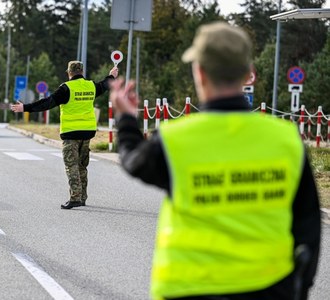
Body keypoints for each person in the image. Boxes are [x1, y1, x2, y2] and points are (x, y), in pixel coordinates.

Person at [110, 22, 321, 300]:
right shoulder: (287, 138)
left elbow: (133, 160)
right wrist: (299, 286)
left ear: (200, 72)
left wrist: (126, 118)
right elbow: (308, 222)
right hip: (270, 288)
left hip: (189, 289)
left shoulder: (176, 139)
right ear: (247, 74)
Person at [11, 61, 118, 209]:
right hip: (87, 132)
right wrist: (111, 76)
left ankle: (75, 198)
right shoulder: (91, 86)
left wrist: (25, 107)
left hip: (71, 133)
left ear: (69, 73)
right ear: (82, 71)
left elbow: (47, 103)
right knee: (82, 166)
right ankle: (82, 197)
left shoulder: (66, 88)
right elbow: (105, 85)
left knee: (71, 165)